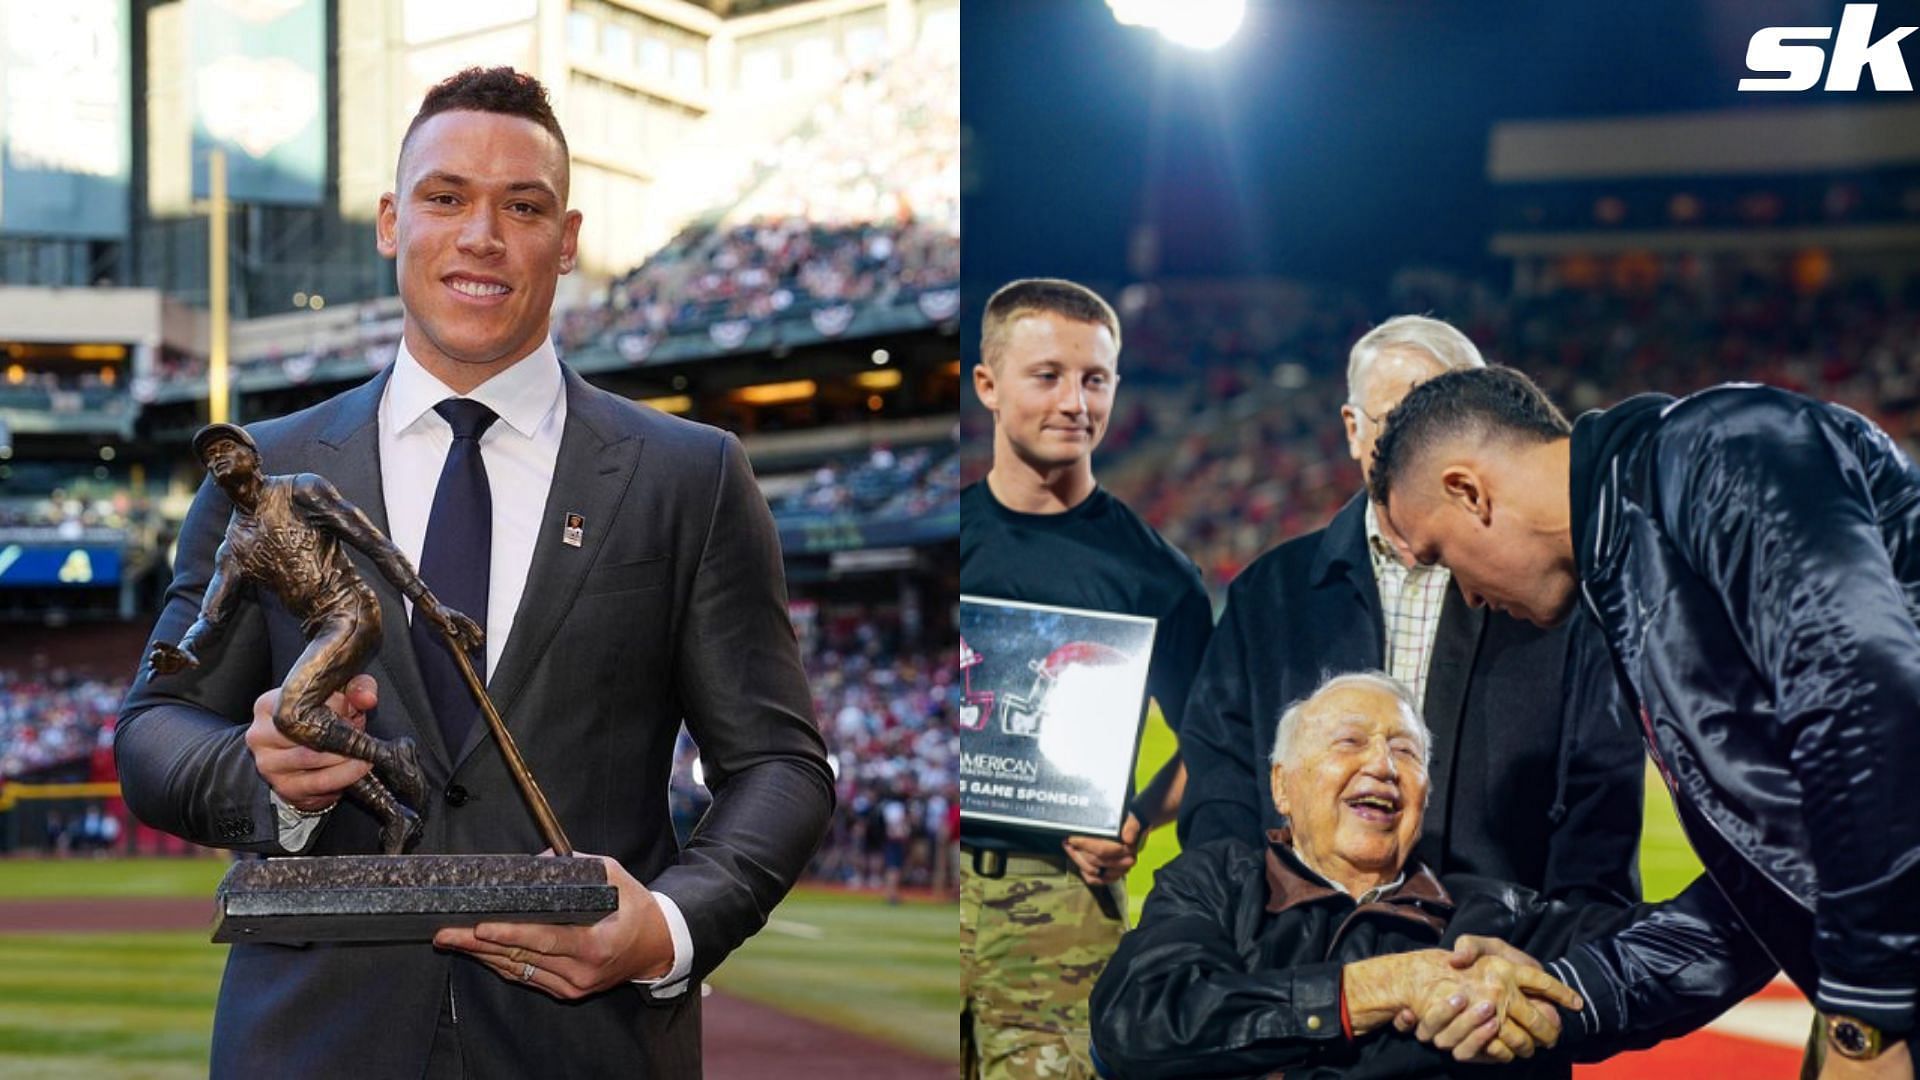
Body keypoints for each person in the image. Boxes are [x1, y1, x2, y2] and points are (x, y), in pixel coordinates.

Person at [116, 67, 833, 1078]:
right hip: (312, 1042)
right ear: (388, 221)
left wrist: (667, 929)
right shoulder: (262, 471)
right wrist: (263, 773)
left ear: (569, 237)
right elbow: (154, 728)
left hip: (591, 1046)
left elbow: (780, 765)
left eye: (523, 206)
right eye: (446, 197)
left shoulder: (691, 475)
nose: (481, 234)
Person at [1370, 366, 1920, 1078]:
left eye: (1441, 558)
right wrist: (1568, 991)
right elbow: (1760, 893)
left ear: (1469, 492)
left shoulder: (1715, 448)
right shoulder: (1628, 578)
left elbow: (1865, 700)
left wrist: (1863, 1015)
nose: (1466, 599)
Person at [1179, 316, 1643, 910]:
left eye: (1447, 416)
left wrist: (1557, 958)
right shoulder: (1268, 595)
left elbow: (1599, 812)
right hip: (1306, 961)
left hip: (1492, 966)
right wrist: (1255, 929)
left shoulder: (1556, 595)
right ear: (1352, 429)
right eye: (1401, 418)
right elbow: (1220, 788)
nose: (1423, 439)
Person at [1092, 672, 1763, 1080]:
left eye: (1405, 751)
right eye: (1350, 741)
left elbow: (1688, 952)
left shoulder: (1492, 922)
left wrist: (1793, 835)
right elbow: (1138, 1025)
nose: (1383, 766)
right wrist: (1383, 987)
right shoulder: (1215, 881)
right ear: (1283, 786)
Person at [961, 278, 1213, 1078]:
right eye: (1048, 375)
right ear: (989, 385)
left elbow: (1219, 739)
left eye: (1095, 378)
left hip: (1061, 911)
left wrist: (1136, 822)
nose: (1075, 401)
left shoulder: (1156, 574)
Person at [146, 422, 480, 854]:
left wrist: (431, 606)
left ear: (255, 457)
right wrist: (185, 651)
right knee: (318, 730)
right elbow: (210, 615)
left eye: (228, 447)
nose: (218, 458)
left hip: (350, 610)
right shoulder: (234, 545)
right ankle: (396, 814)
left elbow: (374, 544)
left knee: (292, 712)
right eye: (211, 457)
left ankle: (391, 756)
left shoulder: (300, 491)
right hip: (318, 629)